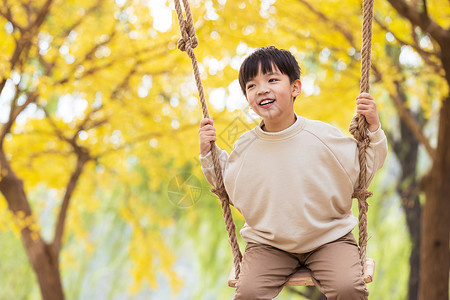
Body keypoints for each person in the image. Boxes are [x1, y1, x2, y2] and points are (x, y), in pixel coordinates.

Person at [198, 46, 387, 300]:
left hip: (328, 238)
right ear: (247, 100)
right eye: (252, 86)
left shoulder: (323, 137)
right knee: (249, 293)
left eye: (272, 80)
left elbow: (363, 171)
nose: (262, 89)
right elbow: (226, 185)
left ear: (295, 88)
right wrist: (208, 152)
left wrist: (373, 128)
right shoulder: (245, 146)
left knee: (348, 288)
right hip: (269, 244)